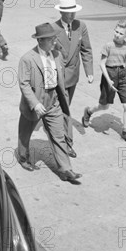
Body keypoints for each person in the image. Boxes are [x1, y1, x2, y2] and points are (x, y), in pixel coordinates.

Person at [17, 23, 82, 183]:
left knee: (58, 135)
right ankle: (23, 157)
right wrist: (35, 103)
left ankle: (66, 169)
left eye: (54, 38)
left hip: (53, 101)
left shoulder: (57, 55)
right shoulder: (27, 59)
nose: (54, 41)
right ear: (40, 41)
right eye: (51, 39)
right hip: (35, 101)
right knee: (25, 133)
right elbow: (24, 83)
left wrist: (62, 97)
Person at [82, 20, 126, 146]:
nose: (117, 35)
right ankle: (89, 112)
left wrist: (125, 74)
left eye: (121, 33)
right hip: (109, 74)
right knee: (104, 106)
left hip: (122, 75)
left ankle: (125, 132)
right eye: (116, 31)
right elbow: (102, 63)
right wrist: (109, 80)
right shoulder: (108, 45)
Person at [53, 0, 94, 104]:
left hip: (73, 74)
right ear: (61, 12)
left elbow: (86, 50)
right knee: (62, 106)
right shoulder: (53, 28)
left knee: (67, 105)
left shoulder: (80, 26)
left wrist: (89, 71)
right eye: (68, 12)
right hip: (59, 75)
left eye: (73, 12)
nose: (72, 15)